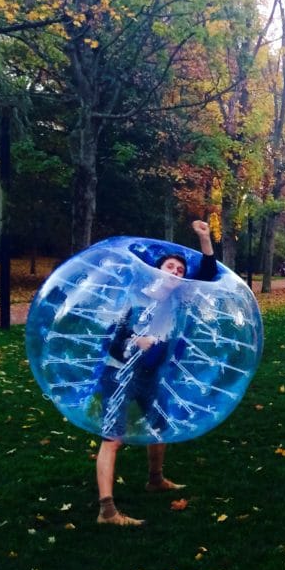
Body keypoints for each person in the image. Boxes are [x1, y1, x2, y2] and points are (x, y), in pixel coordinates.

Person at [95, 220, 217, 526]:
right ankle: (106, 511)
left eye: (180, 271)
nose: (176, 272)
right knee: (113, 438)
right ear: (157, 270)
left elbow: (208, 274)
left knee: (160, 427)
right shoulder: (135, 298)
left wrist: (204, 239)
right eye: (170, 267)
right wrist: (135, 339)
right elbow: (110, 337)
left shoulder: (177, 300)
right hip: (119, 373)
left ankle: (155, 479)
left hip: (149, 375)